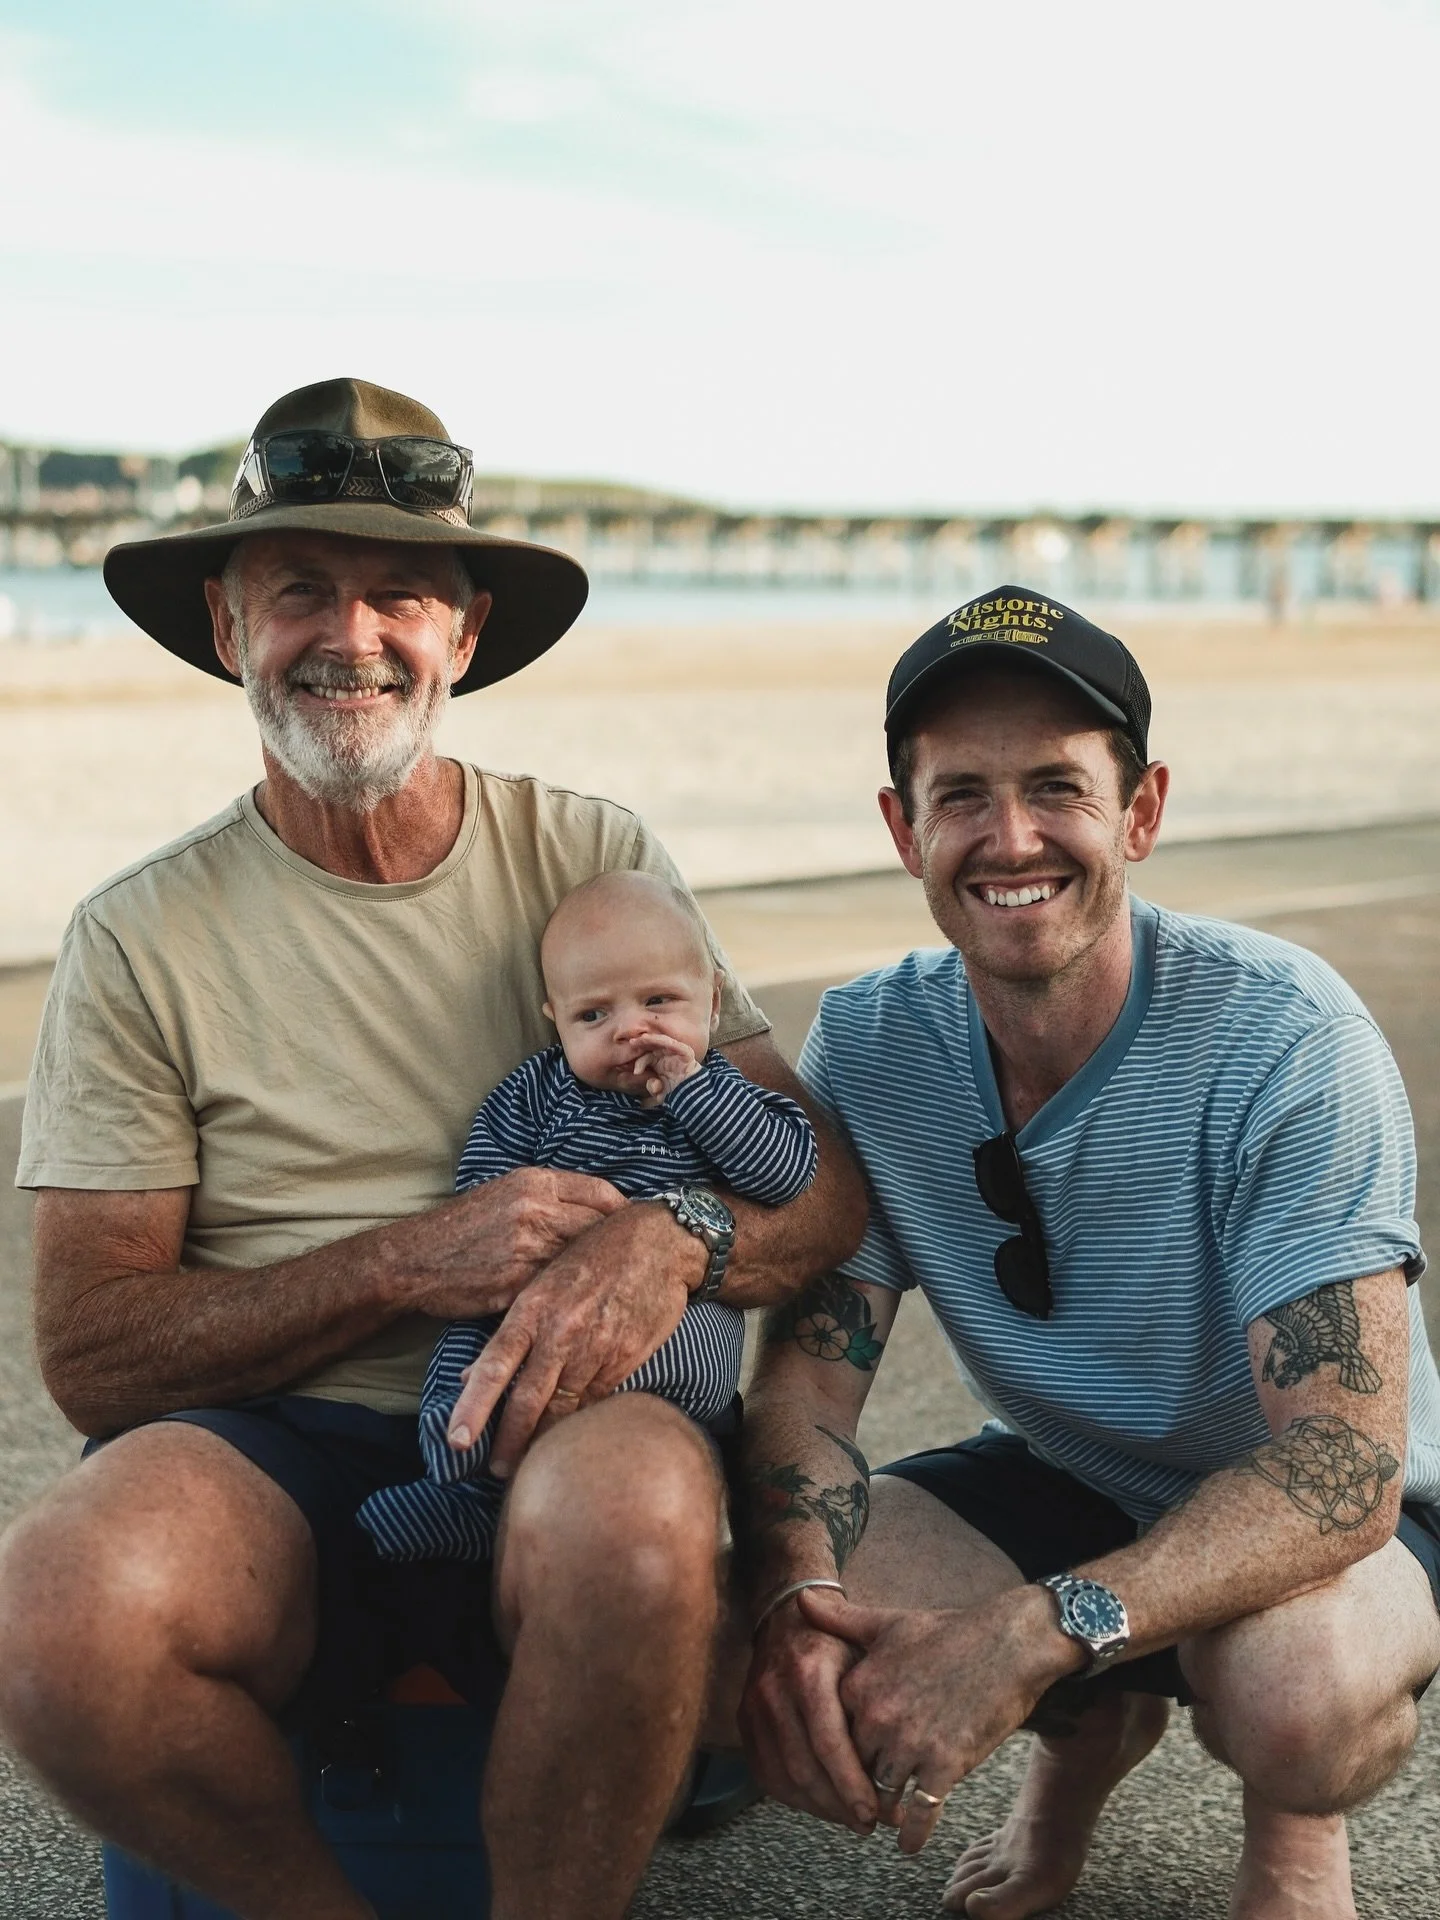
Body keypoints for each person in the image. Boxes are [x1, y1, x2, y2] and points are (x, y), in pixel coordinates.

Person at [0, 378, 866, 1920]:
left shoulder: (592, 859)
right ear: (225, 626)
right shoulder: (136, 935)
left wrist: (678, 1244)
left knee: (643, 1528)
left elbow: (817, 1188)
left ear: (462, 635)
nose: (352, 636)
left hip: (577, 1415)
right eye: (300, 594)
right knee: (53, 1620)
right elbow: (94, 1352)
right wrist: (411, 1260)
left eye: (400, 592)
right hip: (266, 1441)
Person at [737, 587, 1440, 1920]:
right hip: (1073, 1475)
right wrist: (795, 1598)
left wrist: (1021, 1634)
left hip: (1329, 1520)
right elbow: (808, 1388)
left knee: (1296, 1703)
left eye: (1058, 787)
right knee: (750, 1655)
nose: (1011, 840)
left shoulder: (1287, 1038)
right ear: (902, 828)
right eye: (961, 797)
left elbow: (1345, 1464)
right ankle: (1094, 1732)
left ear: (1143, 811)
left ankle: (1295, 1842)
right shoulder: (874, 1044)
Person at [358, 868, 818, 1562]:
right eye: (594, 1016)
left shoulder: (721, 1090)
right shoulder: (536, 1094)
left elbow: (783, 1173)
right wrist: (507, 1240)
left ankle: (493, 1510)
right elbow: (483, 1193)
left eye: (659, 1001)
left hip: (679, 1324)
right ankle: (464, 1478)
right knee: (472, 1350)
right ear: (556, 1019)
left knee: (614, 1365)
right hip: (539, 1291)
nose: (632, 1029)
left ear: (713, 998)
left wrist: (690, 1094)